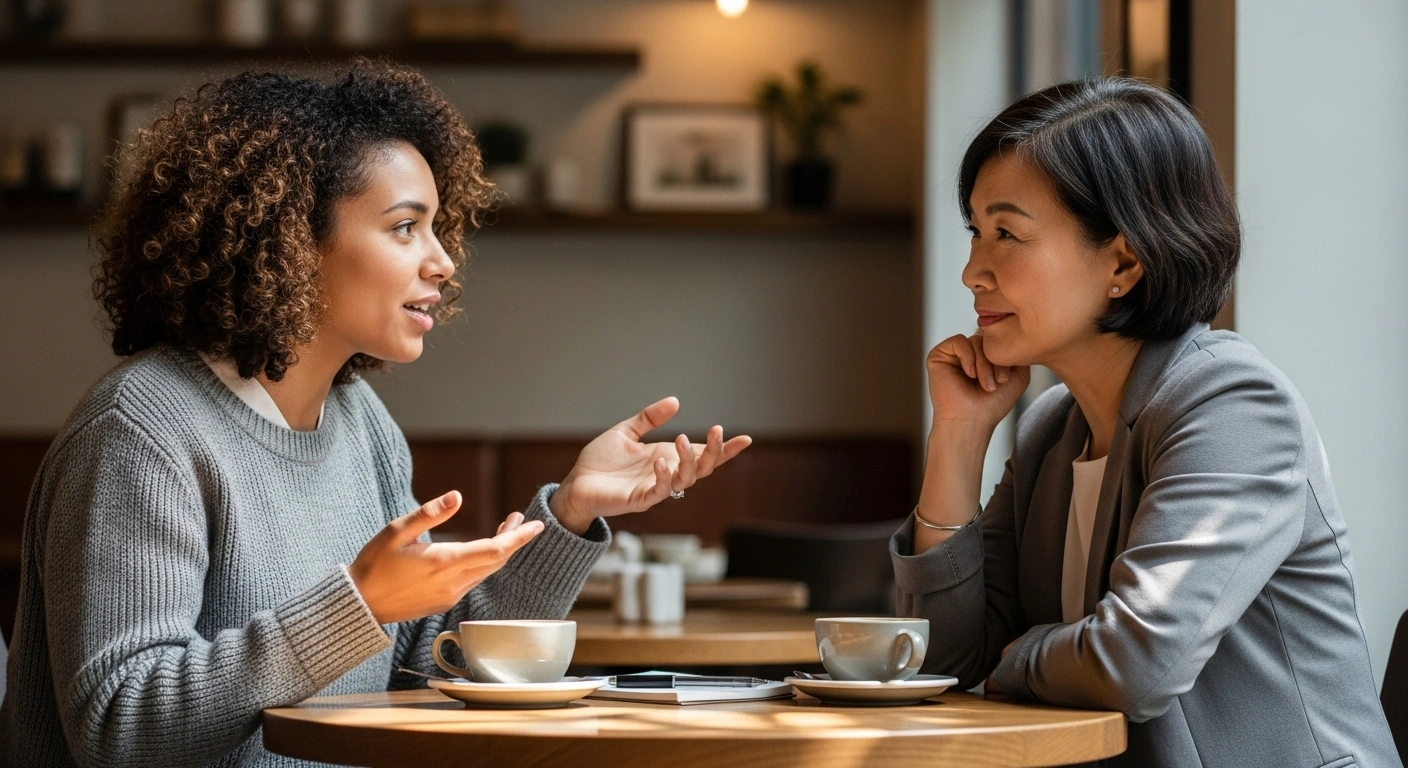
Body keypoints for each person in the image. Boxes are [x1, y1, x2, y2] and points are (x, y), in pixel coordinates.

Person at [0, 62, 751, 767]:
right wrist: (354, 604)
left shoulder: (361, 425)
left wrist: (573, 513)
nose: (443, 260)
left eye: (436, 226)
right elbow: (118, 725)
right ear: (292, 242)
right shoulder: (143, 432)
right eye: (403, 228)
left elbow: (428, 663)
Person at [891, 78, 1400, 767]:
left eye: (1007, 233)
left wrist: (1016, 659)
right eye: (976, 232)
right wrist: (957, 434)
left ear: (1124, 262)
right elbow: (941, 658)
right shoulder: (1052, 430)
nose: (972, 272)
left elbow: (1137, 662)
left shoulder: (1234, 402)